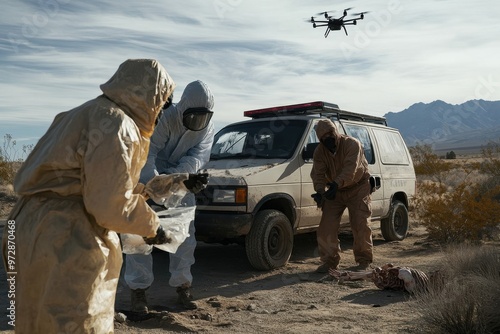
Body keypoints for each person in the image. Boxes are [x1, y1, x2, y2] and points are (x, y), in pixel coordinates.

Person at [0, 59, 176, 333]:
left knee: (34, 316)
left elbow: (91, 181)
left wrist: (151, 191)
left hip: (26, 226)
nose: (161, 112)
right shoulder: (118, 124)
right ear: (150, 97)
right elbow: (109, 204)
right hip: (68, 235)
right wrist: (152, 226)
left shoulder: (81, 113)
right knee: (76, 320)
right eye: (162, 103)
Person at [125, 80, 215, 311]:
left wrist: (180, 180)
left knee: (184, 237)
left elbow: (195, 159)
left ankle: (183, 287)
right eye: (193, 115)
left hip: (179, 184)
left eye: (203, 117)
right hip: (145, 179)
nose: (198, 122)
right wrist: (158, 185)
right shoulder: (165, 118)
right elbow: (147, 154)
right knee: (139, 238)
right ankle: (138, 292)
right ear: (183, 107)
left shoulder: (207, 129)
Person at [310, 119, 373, 273]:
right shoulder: (320, 151)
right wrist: (319, 192)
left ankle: (363, 260)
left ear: (335, 131)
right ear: (319, 138)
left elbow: (350, 169)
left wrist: (336, 184)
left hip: (358, 187)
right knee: (326, 226)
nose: (328, 138)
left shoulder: (352, 144)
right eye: (323, 137)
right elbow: (317, 174)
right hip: (335, 190)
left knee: (360, 222)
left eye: (330, 134)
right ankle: (329, 261)